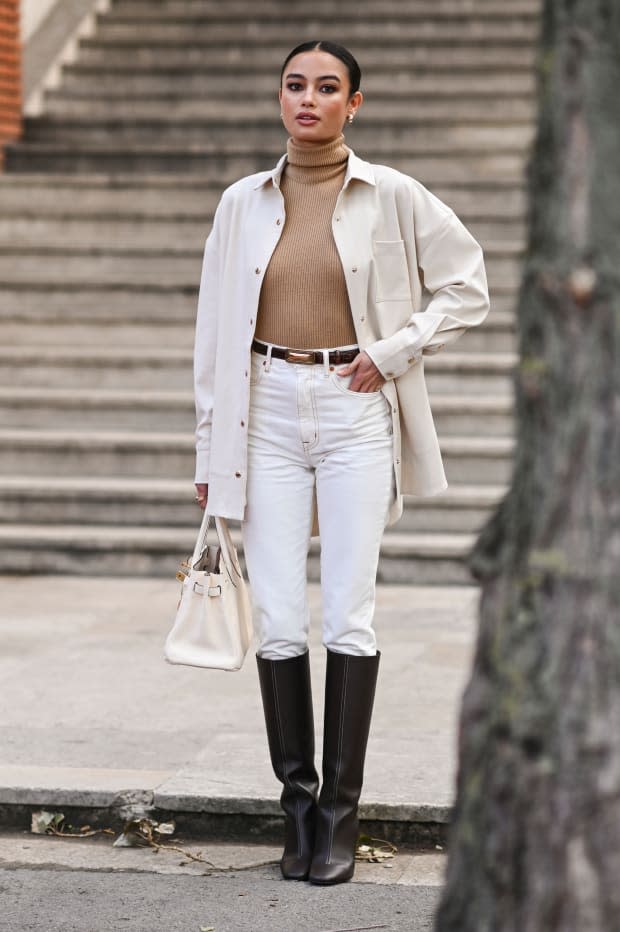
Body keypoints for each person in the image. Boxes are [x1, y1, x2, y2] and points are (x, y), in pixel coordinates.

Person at [193, 40, 489, 885]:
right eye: (295, 86)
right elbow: (214, 332)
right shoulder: (240, 204)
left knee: (349, 613)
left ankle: (340, 819)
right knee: (281, 617)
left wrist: (396, 349)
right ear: (279, 97)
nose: (309, 100)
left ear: (354, 103)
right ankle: (296, 811)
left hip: (356, 408)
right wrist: (210, 445)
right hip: (267, 409)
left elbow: (468, 283)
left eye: (328, 88)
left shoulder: (389, 193)